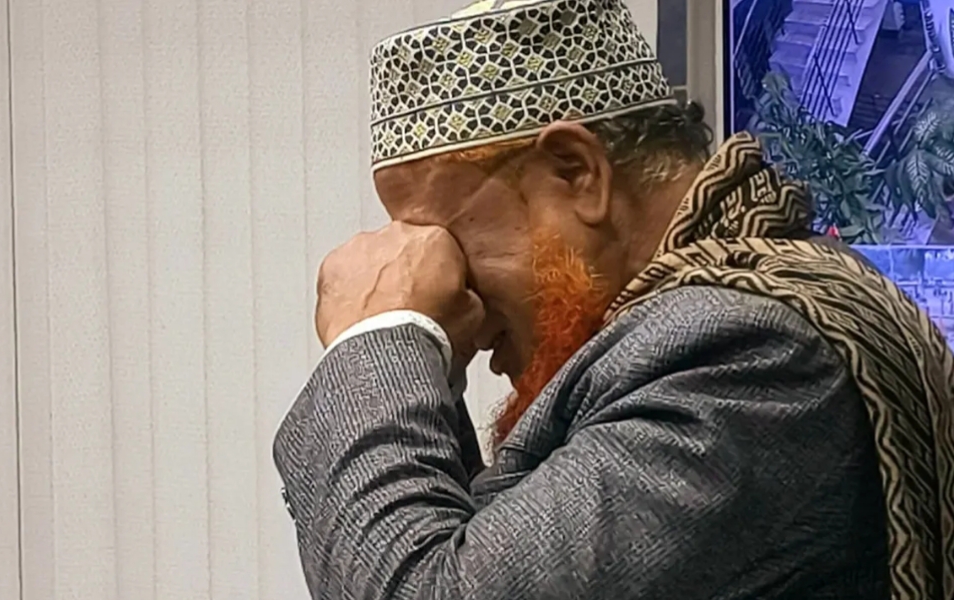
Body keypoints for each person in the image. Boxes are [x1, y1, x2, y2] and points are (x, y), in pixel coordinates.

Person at [273, 1, 954, 598]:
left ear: (578, 173)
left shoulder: (745, 354)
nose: (461, 312)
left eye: (446, 245)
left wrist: (381, 336)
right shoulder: (766, 297)